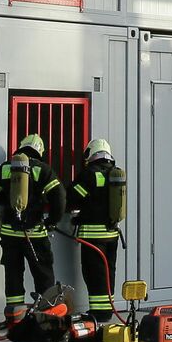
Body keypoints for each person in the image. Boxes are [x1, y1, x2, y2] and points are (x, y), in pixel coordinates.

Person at [0, 133, 66, 319]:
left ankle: (15, 317)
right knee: (43, 274)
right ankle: (47, 316)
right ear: (39, 151)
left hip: (10, 234)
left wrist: (9, 201)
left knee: (13, 275)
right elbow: (59, 197)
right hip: (35, 234)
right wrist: (52, 220)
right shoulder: (43, 170)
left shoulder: (5, 168)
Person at [67, 137, 125, 322]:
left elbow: (74, 196)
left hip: (93, 235)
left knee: (94, 273)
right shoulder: (115, 174)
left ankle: (98, 314)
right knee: (109, 273)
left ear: (92, 153)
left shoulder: (90, 174)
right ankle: (106, 310)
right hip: (112, 234)